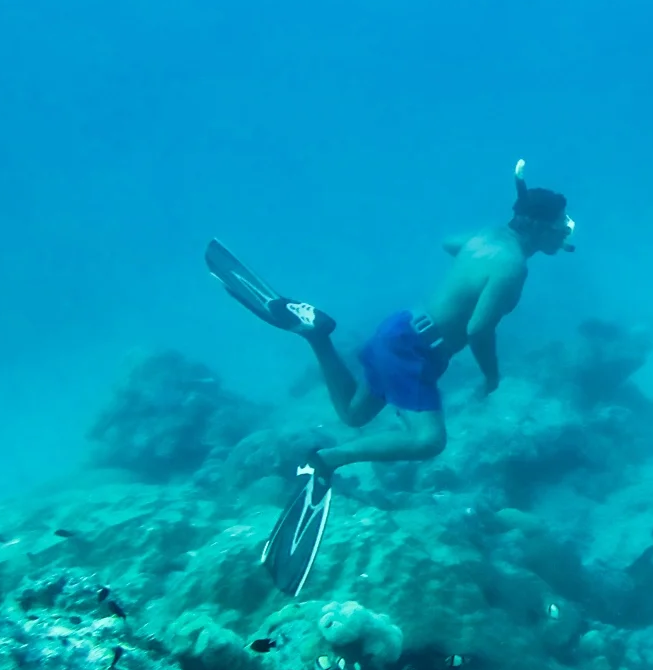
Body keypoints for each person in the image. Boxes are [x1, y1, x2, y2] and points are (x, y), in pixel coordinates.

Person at [205, 160, 574, 595]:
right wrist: (491, 376)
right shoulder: (513, 267)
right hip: (416, 351)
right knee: (429, 440)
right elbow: (478, 328)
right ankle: (326, 462)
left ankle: (317, 335)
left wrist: (482, 261)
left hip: (399, 328)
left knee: (355, 413)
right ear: (542, 228)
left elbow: (448, 243)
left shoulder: (486, 240)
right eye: (562, 224)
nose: (567, 230)